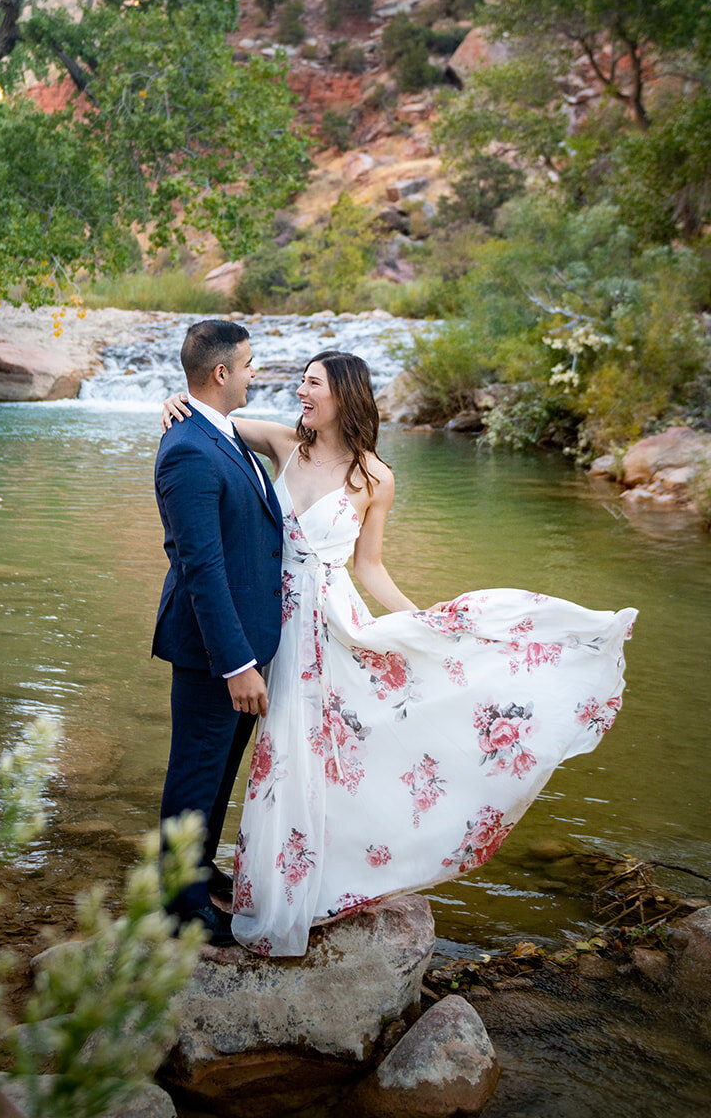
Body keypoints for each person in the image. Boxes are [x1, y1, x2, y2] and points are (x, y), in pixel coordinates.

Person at [162, 350, 636, 957]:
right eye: (300, 381)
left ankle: (290, 881)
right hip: (262, 621)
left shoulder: (374, 477)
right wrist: (171, 401)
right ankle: (208, 879)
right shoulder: (282, 443)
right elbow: (211, 423)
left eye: (312, 384)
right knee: (237, 754)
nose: (299, 391)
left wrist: (422, 624)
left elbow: (370, 567)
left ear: (345, 397)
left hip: (325, 625)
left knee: (302, 750)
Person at [153, 319, 285, 946]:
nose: (256, 372)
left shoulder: (226, 436)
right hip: (212, 651)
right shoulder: (186, 449)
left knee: (220, 773)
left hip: (242, 645)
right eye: (250, 363)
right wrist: (236, 662)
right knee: (195, 775)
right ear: (221, 373)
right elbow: (201, 567)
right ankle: (179, 909)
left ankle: (199, 874)